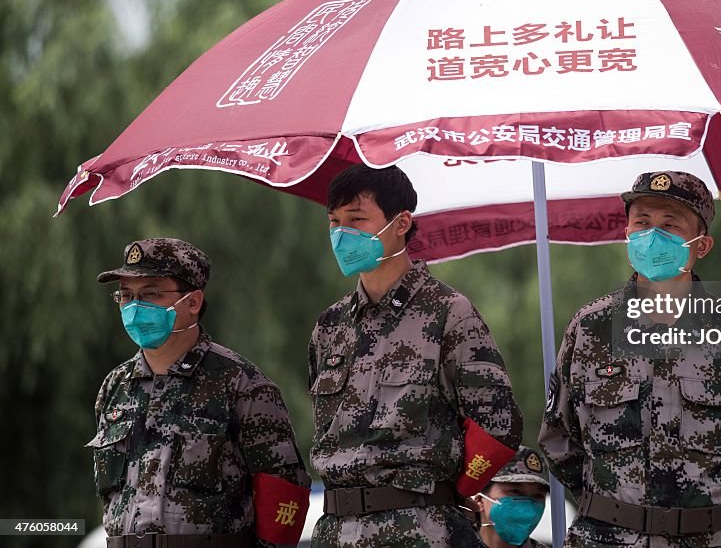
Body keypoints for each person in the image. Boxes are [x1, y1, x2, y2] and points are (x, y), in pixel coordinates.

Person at [538, 171, 721, 547]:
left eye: (669, 225)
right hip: (606, 538)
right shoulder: (590, 327)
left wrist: (707, 502)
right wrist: (614, 503)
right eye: (642, 222)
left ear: (702, 245)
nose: (652, 235)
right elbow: (558, 436)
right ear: (627, 231)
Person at [309, 165, 524, 547]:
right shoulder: (330, 326)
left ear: (401, 222)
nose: (342, 234)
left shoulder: (449, 312)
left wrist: (447, 493)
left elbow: (499, 422)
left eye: (357, 220)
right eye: (334, 222)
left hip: (421, 529)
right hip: (335, 529)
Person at [88, 238, 311, 548]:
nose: (135, 307)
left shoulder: (241, 384)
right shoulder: (116, 387)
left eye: (150, 294)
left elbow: (286, 494)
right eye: (126, 296)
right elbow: (111, 499)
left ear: (192, 302)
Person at [469, 446, 550, 548]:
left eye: (538, 495)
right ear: (480, 500)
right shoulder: (449, 541)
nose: (528, 506)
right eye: (516, 491)